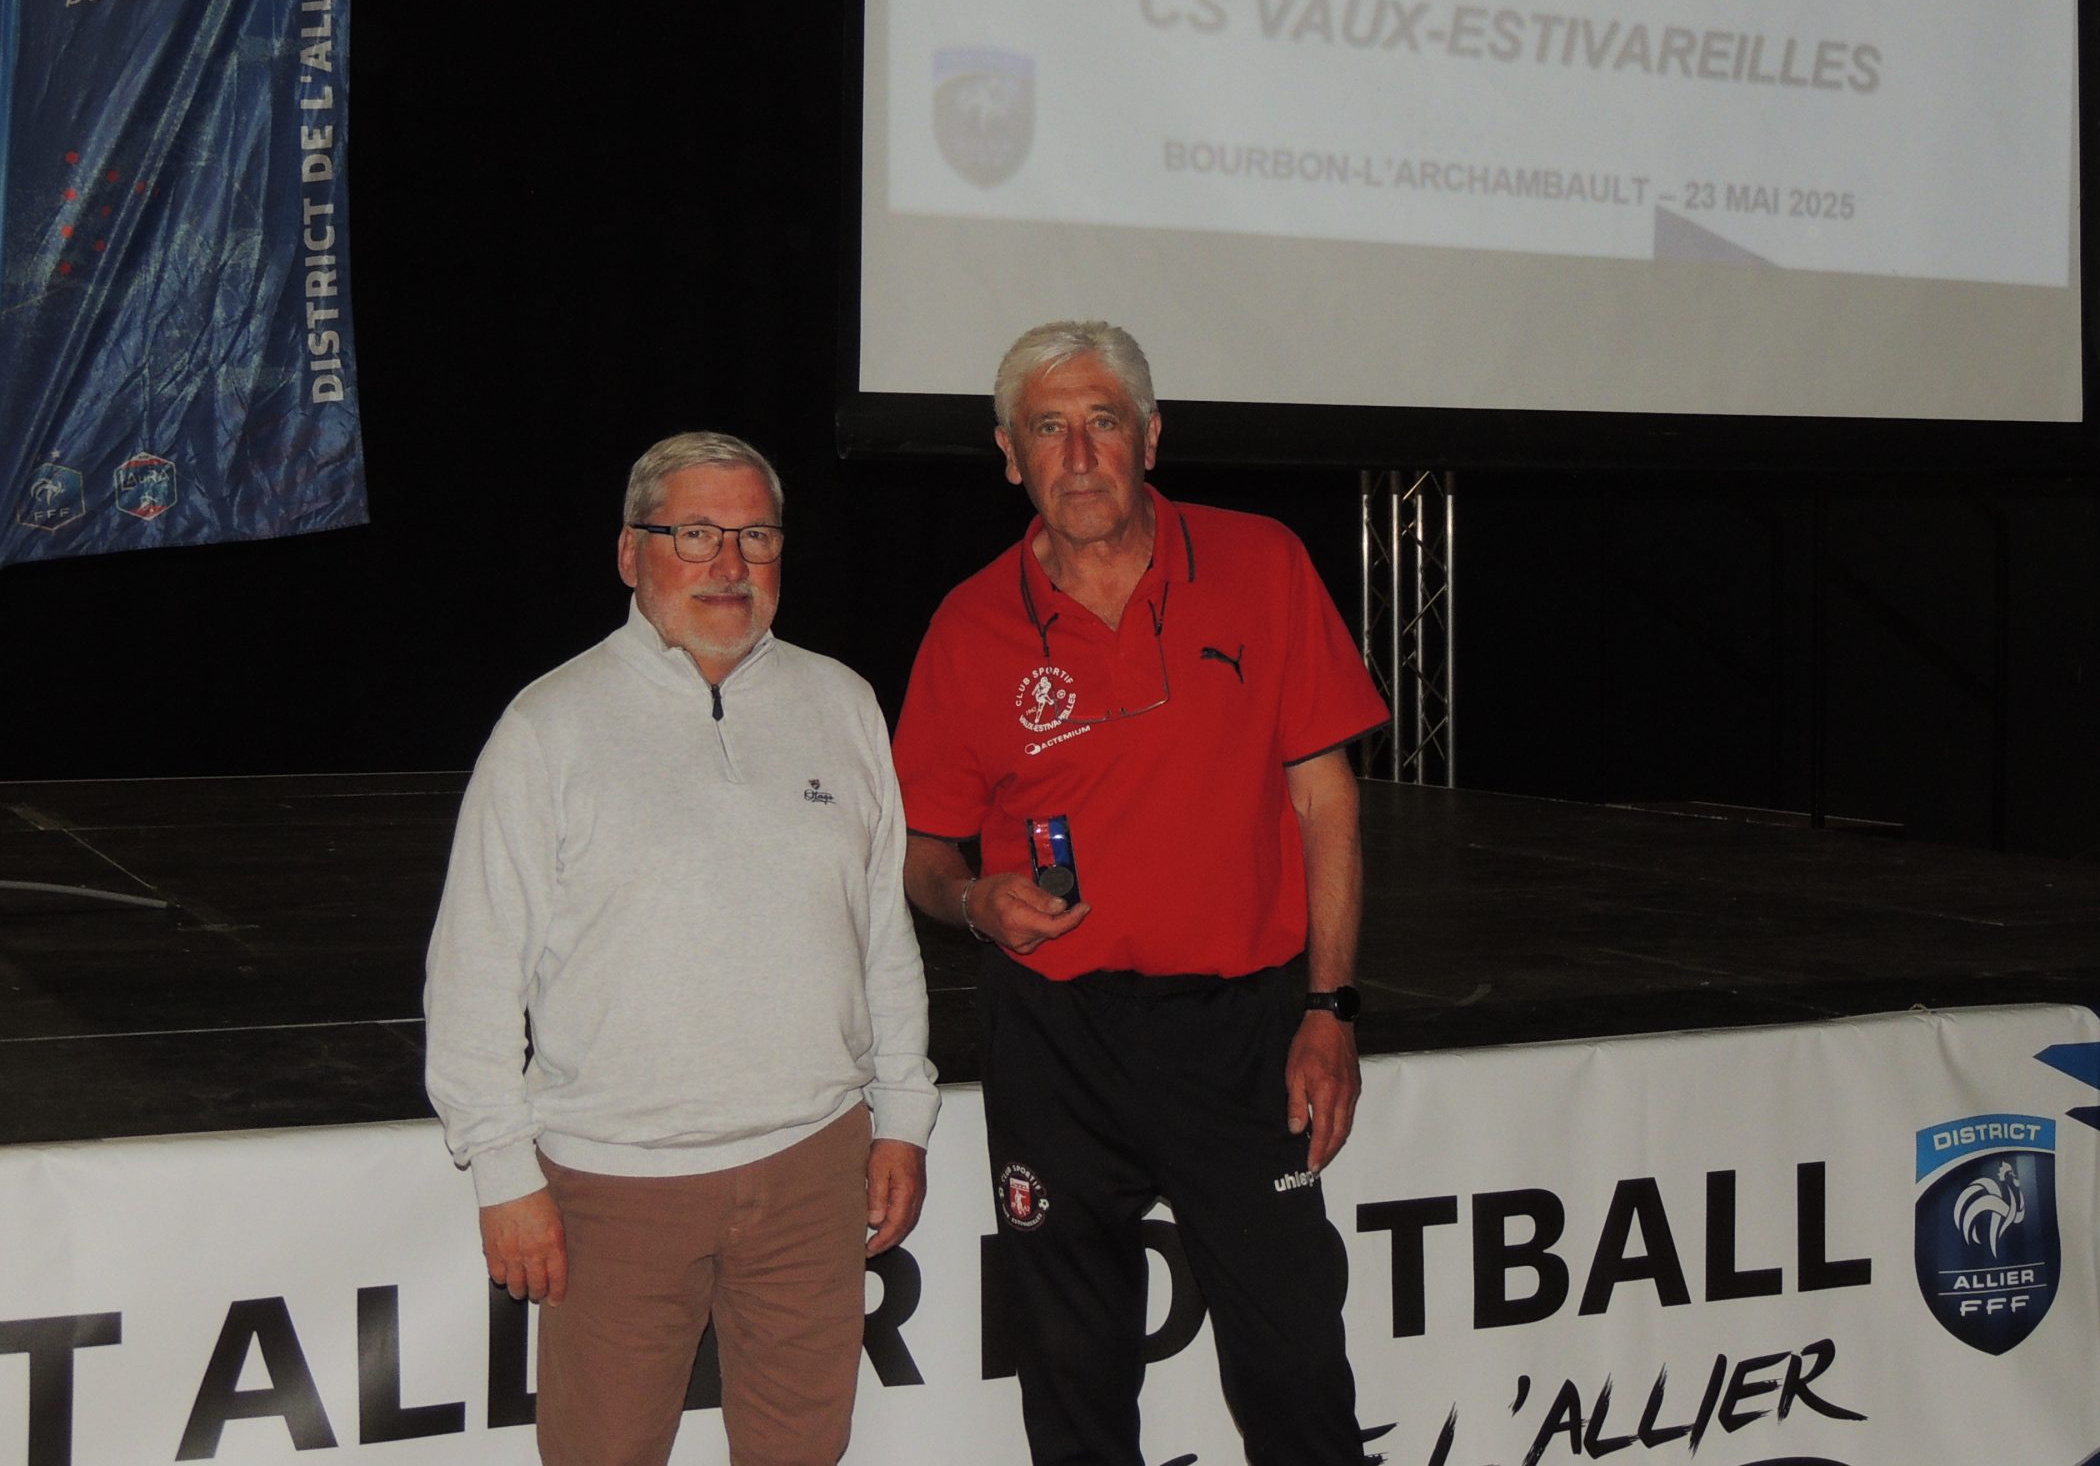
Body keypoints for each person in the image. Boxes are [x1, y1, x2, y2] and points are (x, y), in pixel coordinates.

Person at [895, 321, 1387, 1466]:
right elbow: (921, 853)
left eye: (1102, 422)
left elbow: (1326, 806)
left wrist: (1330, 1009)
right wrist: (974, 902)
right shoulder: (970, 625)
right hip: (1052, 1039)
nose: (1078, 456)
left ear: (1150, 438)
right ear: (1009, 455)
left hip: (1240, 1034)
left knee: (1296, 1370)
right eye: (1048, 429)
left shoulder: (1261, 563)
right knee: (1072, 1375)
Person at [424, 431, 937, 1466]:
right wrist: (501, 1170)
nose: (730, 564)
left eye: (756, 536)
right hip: (616, 1189)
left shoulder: (842, 703)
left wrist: (904, 1117)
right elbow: (474, 968)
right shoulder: (549, 726)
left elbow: (882, 933)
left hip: (813, 1170)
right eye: (695, 534)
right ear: (631, 553)